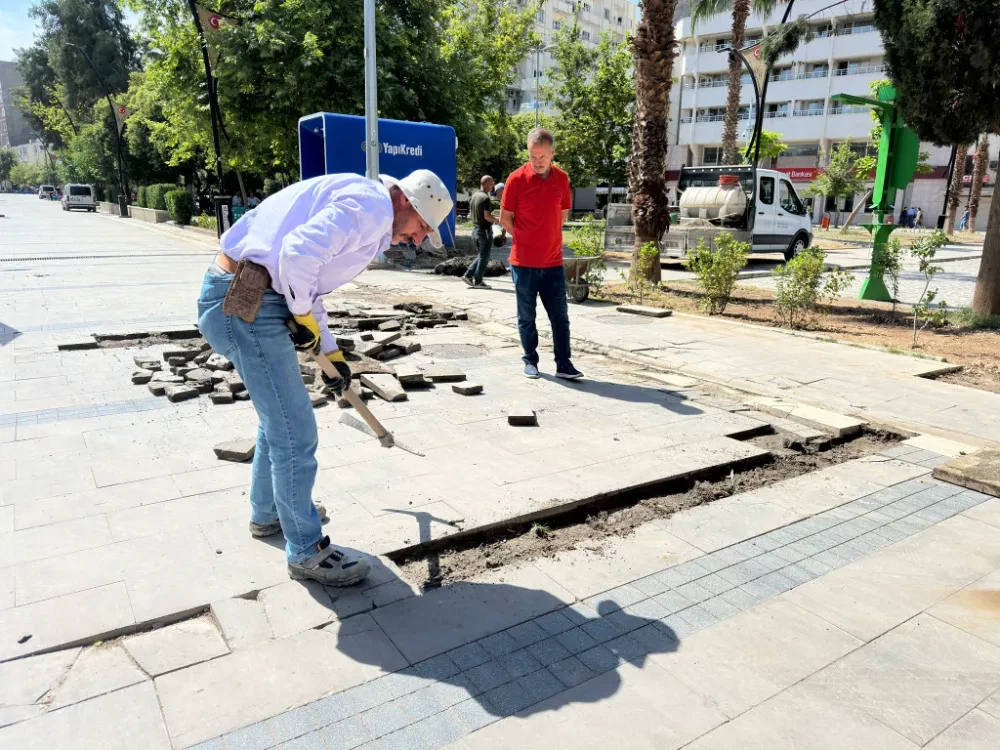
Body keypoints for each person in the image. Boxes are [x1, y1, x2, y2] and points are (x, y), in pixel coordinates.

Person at [197, 170, 452, 585]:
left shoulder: (369, 211)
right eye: (422, 227)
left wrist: (328, 350)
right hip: (244, 301)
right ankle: (306, 551)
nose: (419, 239)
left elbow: (307, 284)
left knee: (277, 421)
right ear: (406, 201)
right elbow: (296, 257)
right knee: (295, 432)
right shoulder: (371, 207)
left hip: (252, 294)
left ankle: (269, 515)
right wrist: (300, 318)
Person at [499, 128, 583, 380]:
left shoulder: (562, 179)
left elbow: (562, 215)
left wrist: (546, 237)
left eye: (542, 156)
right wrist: (525, 238)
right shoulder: (516, 179)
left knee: (560, 317)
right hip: (523, 264)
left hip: (553, 263)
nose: (537, 162)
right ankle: (530, 360)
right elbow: (505, 219)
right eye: (533, 156)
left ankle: (564, 364)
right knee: (527, 316)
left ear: (552, 153)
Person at [463, 175, 503, 288]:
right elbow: (487, 216)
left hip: (475, 230)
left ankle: (468, 275)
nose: (492, 187)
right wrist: (496, 220)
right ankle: (478, 281)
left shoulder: (475, 196)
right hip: (484, 231)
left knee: (482, 255)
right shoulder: (485, 198)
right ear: (485, 184)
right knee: (484, 257)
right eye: (491, 184)